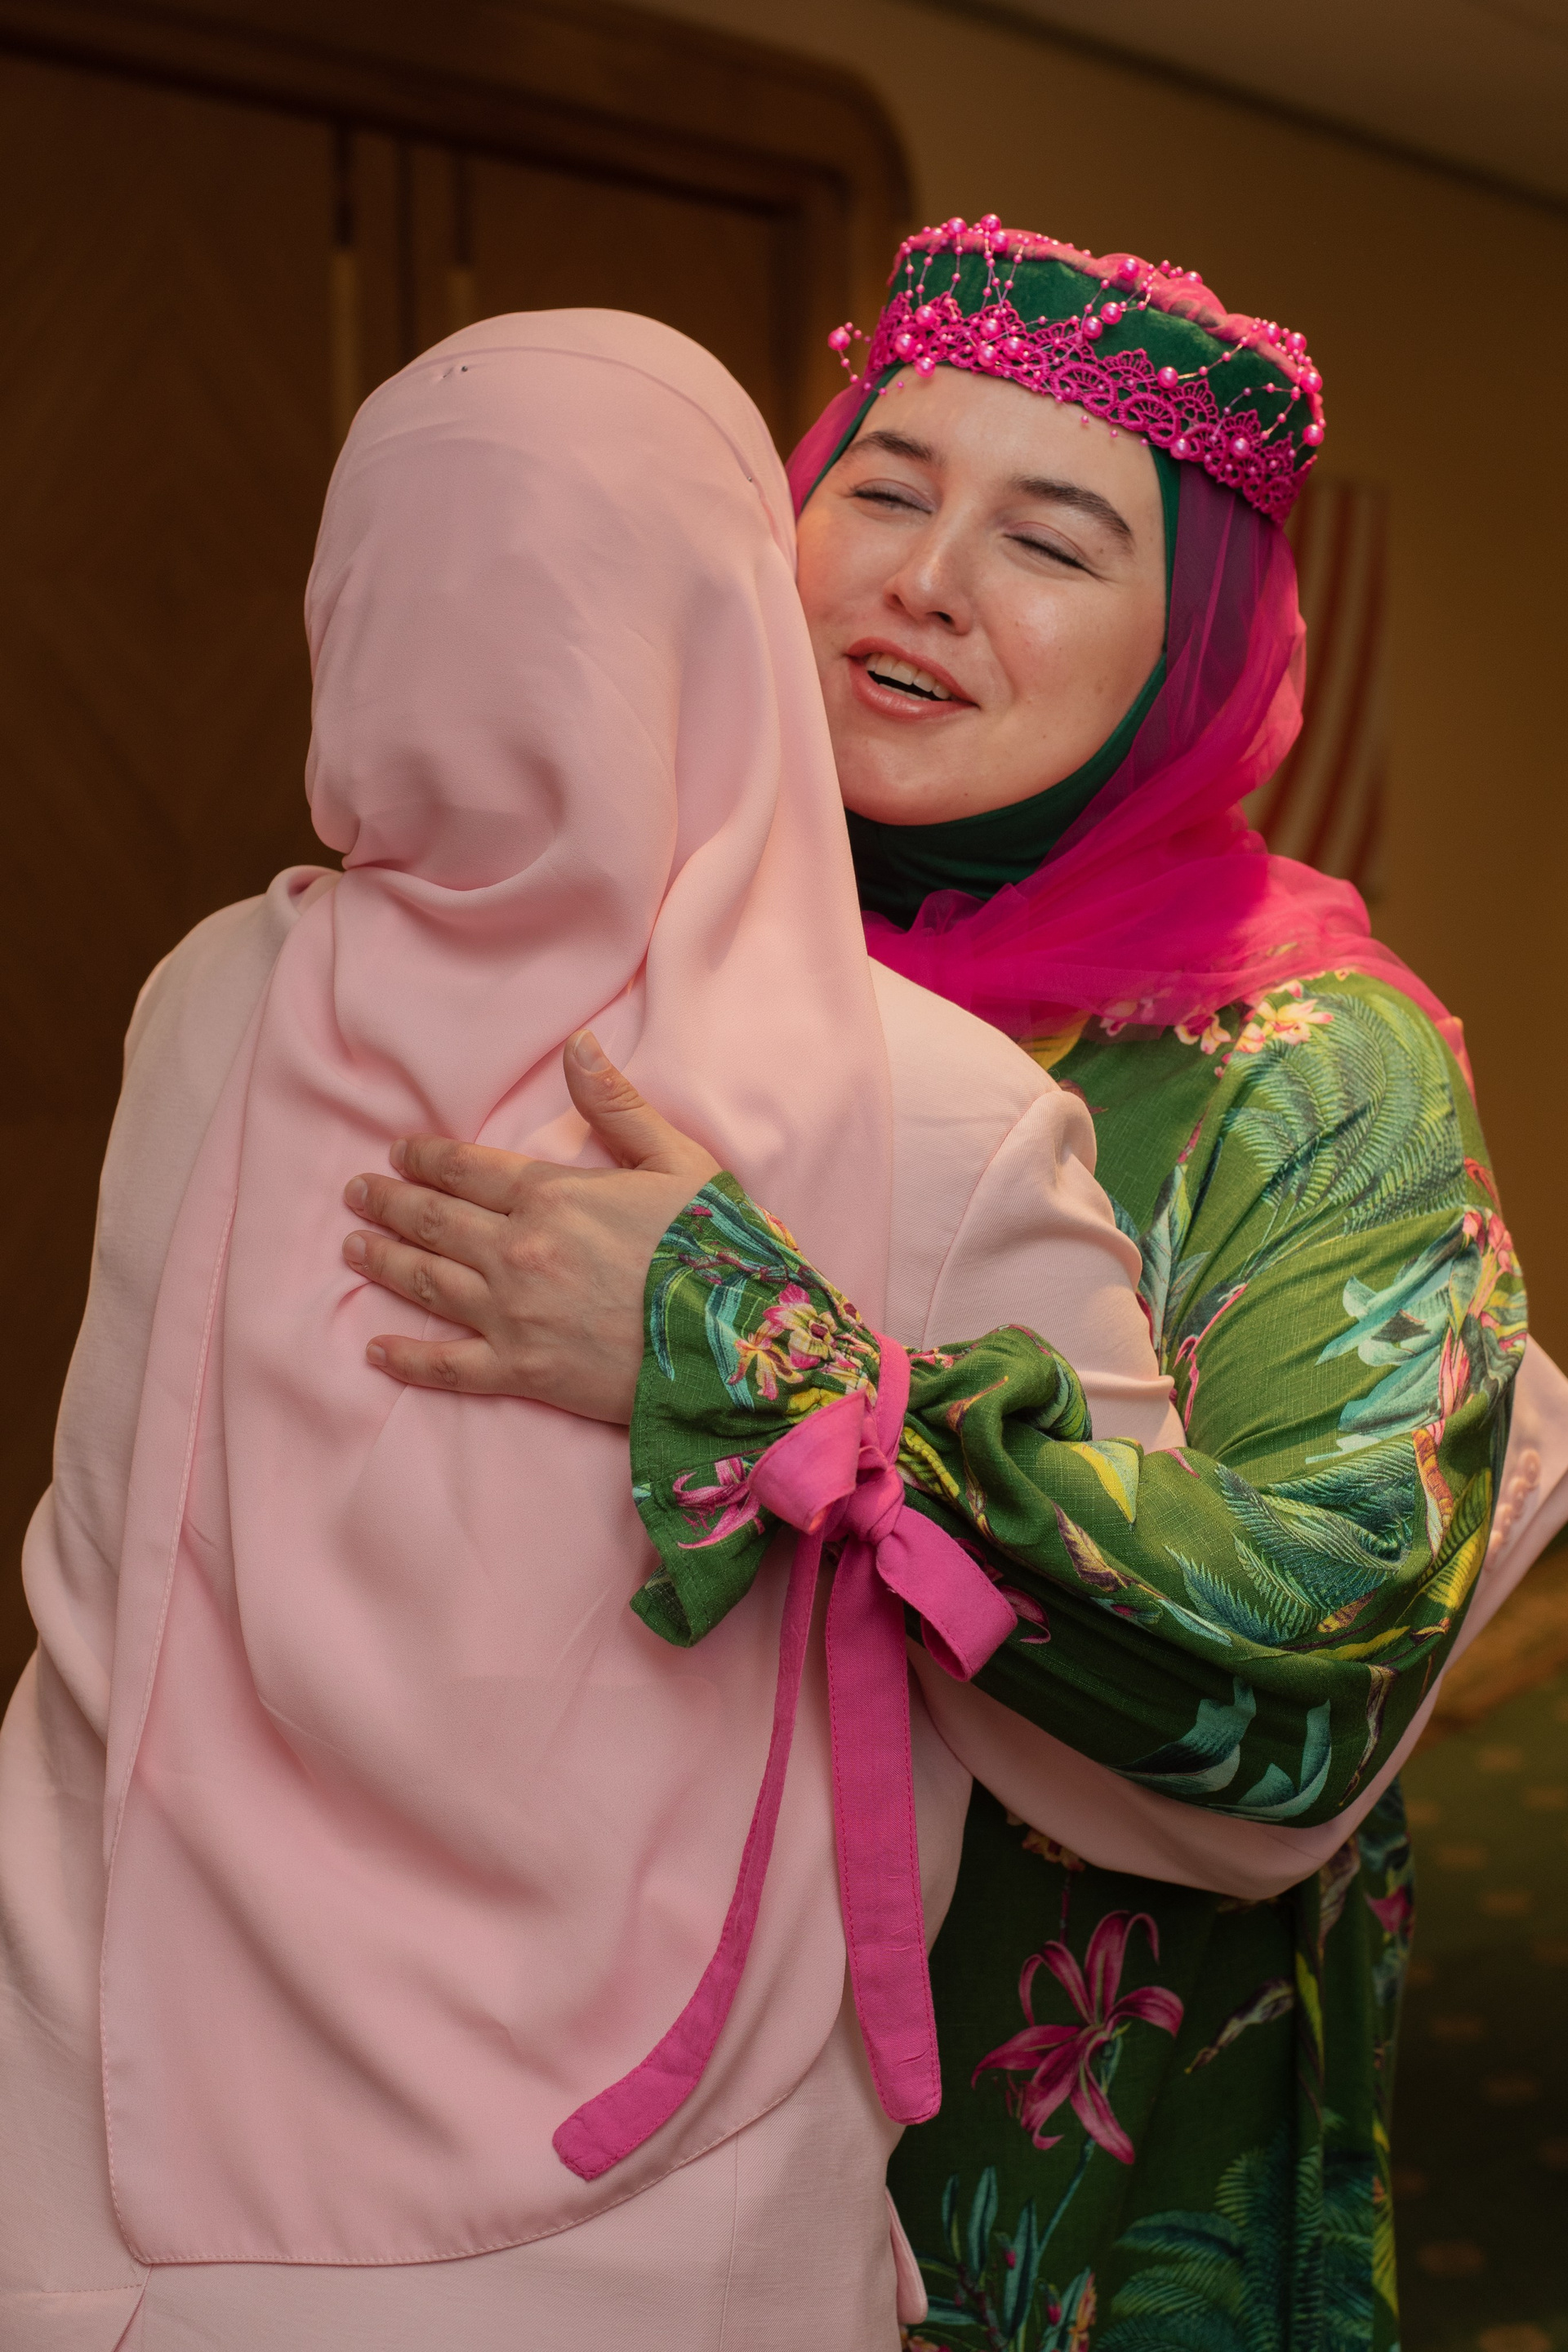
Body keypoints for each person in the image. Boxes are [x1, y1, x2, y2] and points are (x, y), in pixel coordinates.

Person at [349, 225, 1568, 2349]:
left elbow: (1320, 1671)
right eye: (888, 490)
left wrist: (759, 1359)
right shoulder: (609, 943)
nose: (925, 580)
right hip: (554, 2094)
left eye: (1052, 541)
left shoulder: (1304, 1067)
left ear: (1188, 656)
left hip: (1048, 2146)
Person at [0, 305, 1223, 2350]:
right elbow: (1161, 1745)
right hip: (632, 2241)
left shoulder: (209, 996)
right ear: (740, 607)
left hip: (74, 2144)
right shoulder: (931, 1110)